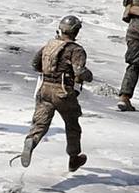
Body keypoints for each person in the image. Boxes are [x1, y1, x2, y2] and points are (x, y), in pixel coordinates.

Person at [20, 15, 91, 171]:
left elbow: (34, 64)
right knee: (72, 125)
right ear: (76, 31)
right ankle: (73, 159)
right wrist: (89, 76)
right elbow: (79, 70)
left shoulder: (49, 45)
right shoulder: (76, 50)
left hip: (44, 89)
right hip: (63, 91)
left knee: (40, 123)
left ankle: (32, 140)